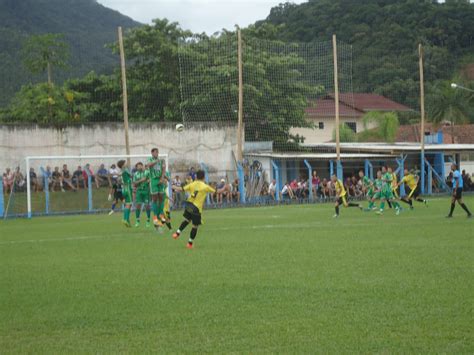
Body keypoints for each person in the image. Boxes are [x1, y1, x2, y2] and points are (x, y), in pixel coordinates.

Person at [172, 170, 216, 249]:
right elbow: (215, 191)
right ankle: (189, 243)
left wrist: (173, 186)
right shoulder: (205, 186)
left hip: (189, 205)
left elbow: (182, 189)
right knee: (195, 226)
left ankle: (177, 233)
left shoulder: (192, 184)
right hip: (196, 208)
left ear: (196, 176)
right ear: (203, 177)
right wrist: (222, 189)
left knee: (186, 220)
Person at [147, 148, 167, 227]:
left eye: (157, 152)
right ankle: (155, 216)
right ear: (152, 153)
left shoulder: (161, 160)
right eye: (155, 152)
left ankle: (161, 214)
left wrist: (162, 178)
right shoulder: (150, 159)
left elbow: (163, 169)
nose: (157, 153)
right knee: (154, 198)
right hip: (153, 180)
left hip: (160, 179)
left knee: (161, 197)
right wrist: (156, 161)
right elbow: (148, 165)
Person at [132, 162, 151, 228]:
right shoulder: (135, 174)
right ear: (136, 168)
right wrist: (141, 180)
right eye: (138, 166)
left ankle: (148, 220)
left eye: (141, 166)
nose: (140, 167)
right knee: (138, 205)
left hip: (146, 191)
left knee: (147, 206)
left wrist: (149, 180)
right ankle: (137, 220)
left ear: (142, 166)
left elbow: (150, 179)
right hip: (139, 191)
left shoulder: (147, 172)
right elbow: (134, 183)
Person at [117, 160, 133, 227]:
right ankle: (125, 219)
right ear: (123, 165)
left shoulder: (121, 171)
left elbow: (118, 179)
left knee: (129, 204)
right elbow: (131, 176)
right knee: (128, 204)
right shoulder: (125, 170)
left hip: (124, 189)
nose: (126, 163)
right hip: (127, 189)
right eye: (125, 163)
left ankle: (128, 221)